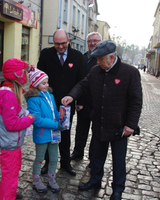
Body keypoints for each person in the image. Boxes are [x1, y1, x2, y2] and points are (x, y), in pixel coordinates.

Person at [61, 40, 142, 200]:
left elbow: (136, 100)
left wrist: (130, 125)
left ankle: (118, 189)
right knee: (96, 156)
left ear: (111, 58)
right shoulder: (96, 70)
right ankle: (94, 181)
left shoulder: (130, 72)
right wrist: (71, 95)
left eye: (100, 59)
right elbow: (83, 85)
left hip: (119, 127)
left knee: (119, 161)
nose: (97, 62)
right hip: (99, 123)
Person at [37, 29, 84, 176]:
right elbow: (39, 77)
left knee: (65, 132)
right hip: (48, 102)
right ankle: (48, 162)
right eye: (57, 44)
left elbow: (82, 81)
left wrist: (79, 101)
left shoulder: (77, 56)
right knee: (48, 132)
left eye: (63, 43)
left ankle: (65, 163)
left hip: (67, 104)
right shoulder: (46, 54)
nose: (60, 47)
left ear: (68, 41)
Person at [0, 58, 36, 200]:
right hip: (9, 143)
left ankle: (10, 193)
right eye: (23, 72)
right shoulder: (9, 96)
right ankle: (7, 196)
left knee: (13, 172)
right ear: (17, 75)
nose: (26, 75)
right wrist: (29, 119)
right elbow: (11, 124)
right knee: (10, 175)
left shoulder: (9, 91)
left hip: (11, 143)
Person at [24, 66, 66, 193]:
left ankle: (51, 179)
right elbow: (37, 119)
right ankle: (36, 179)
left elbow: (54, 111)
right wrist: (55, 124)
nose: (46, 85)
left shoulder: (50, 95)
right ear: (36, 84)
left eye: (47, 82)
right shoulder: (33, 99)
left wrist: (62, 117)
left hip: (53, 134)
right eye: (43, 83)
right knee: (40, 158)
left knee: (54, 158)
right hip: (42, 134)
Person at [70, 32, 101, 162]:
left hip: (97, 101)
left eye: (95, 41)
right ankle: (78, 152)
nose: (92, 43)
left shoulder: (101, 59)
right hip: (83, 100)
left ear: (100, 41)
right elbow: (79, 80)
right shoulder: (82, 58)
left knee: (96, 132)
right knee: (81, 129)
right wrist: (78, 100)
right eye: (89, 41)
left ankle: (93, 157)